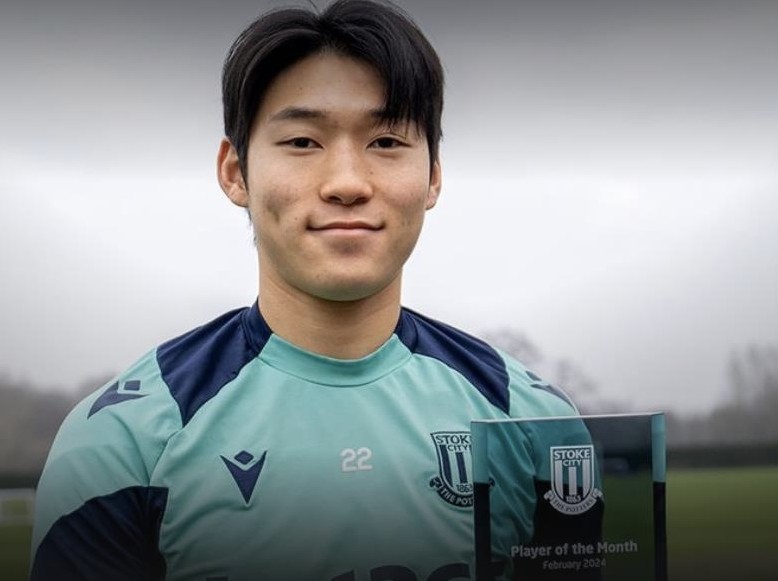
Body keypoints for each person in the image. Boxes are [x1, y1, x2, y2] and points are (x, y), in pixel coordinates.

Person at [29, 1, 582, 580]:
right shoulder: (123, 440)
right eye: (301, 141)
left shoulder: (534, 423)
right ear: (235, 172)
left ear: (433, 176)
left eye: (386, 141)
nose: (347, 183)